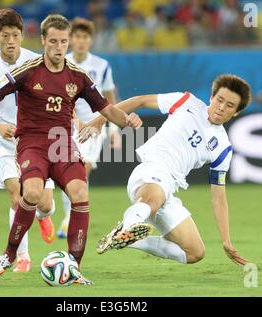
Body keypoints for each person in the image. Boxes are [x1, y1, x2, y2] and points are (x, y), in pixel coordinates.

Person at [0, 14, 142, 284]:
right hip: (32, 144)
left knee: (80, 191)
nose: (59, 47)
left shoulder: (78, 76)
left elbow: (107, 108)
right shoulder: (27, 70)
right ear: (42, 41)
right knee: (29, 192)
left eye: (63, 42)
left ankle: (73, 266)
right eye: (53, 41)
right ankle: (9, 254)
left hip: (63, 145)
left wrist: (126, 121)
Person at [80, 74, 250, 266]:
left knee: (194, 252)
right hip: (150, 170)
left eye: (229, 105)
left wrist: (226, 240)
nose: (221, 107)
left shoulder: (223, 148)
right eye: (220, 100)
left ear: (236, 113)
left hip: (170, 188)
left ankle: (128, 239)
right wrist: (99, 121)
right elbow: (141, 100)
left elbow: (218, 197)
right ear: (211, 97)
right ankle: (127, 227)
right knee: (154, 199)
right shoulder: (186, 101)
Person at [0, 8, 56, 273]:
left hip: (38, 140)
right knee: (16, 194)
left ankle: (44, 216)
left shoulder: (38, 62)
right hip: (4, 142)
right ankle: (22, 256)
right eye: (5, 35)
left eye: (15, 35)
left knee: (43, 202)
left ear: (23, 37)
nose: (10, 40)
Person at [57, 17, 122, 239]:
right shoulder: (62, 63)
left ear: (90, 40)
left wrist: (114, 130)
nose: (81, 41)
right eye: (77, 37)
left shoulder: (101, 66)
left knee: (82, 169)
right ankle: (69, 215)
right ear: (70, 39)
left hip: (95, 125)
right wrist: (75, 121)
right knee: (67, 172)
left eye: (85, 37)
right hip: (67, 123)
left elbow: (110, 98)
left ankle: (70, 218)